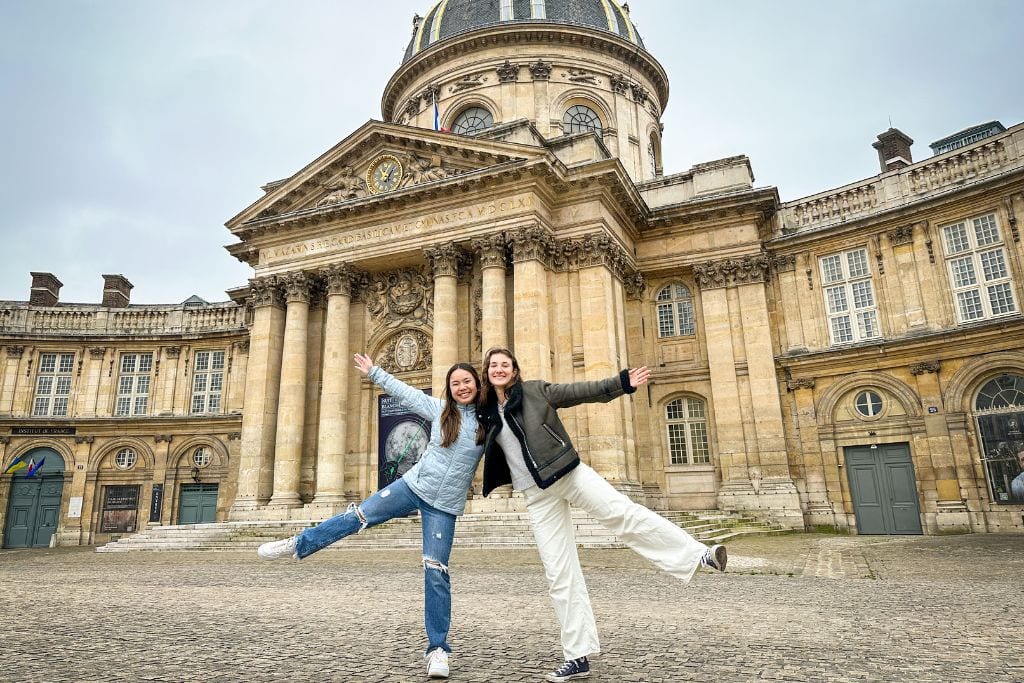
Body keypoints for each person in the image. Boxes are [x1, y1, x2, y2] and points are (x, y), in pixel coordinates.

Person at [477, 347, 727, 683]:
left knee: (623, 514)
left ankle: (700, 554)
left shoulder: (536, 390)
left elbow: (580, 392)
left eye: (505, 365)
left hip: (569, 473)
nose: (499, 369)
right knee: (559, 573)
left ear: (515, 370)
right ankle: (577, 656)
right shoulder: (485, 411)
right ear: (487, 372)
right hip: (537, 495)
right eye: (493, 365)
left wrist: (622, 383)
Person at [257, 353, 484, 680]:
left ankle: (437, 651)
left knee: (436, 571)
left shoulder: (489, 422)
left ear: (477, 384)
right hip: (412, 485)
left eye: (467, 381)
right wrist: (374, 372)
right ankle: (298, 544)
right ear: (449, 389)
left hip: (444, 506)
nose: (462, 387)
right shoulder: (440, 411)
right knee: (358, 515)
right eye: (455, 383)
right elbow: (407, 393)